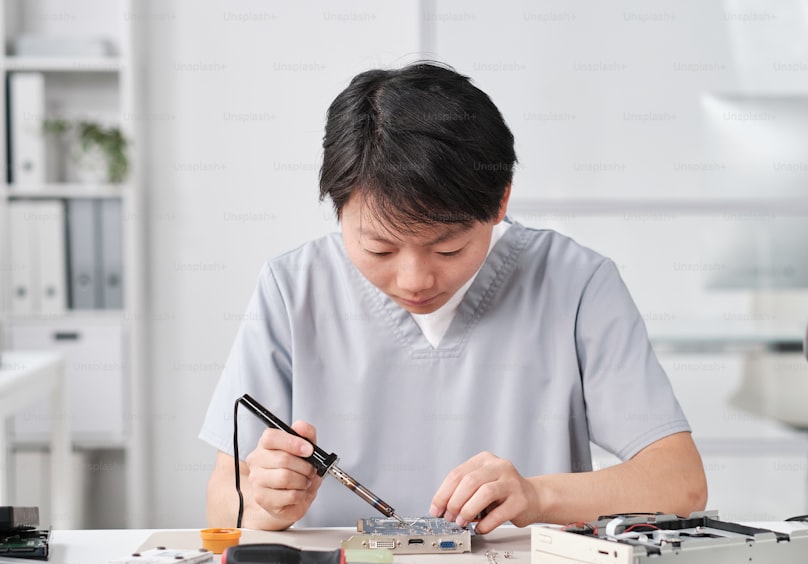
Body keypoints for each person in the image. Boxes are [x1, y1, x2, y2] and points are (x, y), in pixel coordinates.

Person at [202, 62, 707, 534]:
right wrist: (263, 502)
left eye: (448, 247)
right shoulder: (293, 288)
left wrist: (536, 495)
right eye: (379, 248)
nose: (415, 279)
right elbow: (222, 498)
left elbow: (679, 483)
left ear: (500, 201)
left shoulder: (576, 282)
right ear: (338, 209)